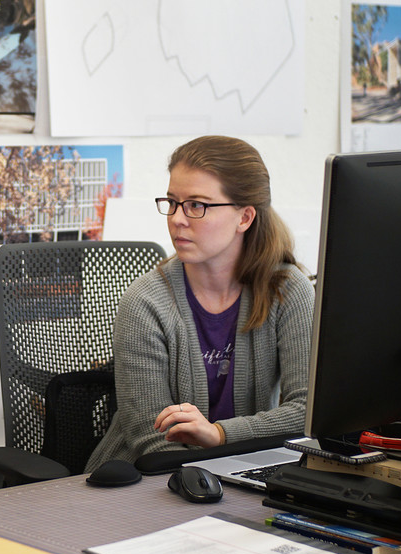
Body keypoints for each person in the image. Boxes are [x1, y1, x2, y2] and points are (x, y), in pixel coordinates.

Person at [86, 135, 314, 470]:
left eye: (197, 205)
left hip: (240, 472)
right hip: (140, 482)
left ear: (245, 218)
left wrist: (221, 435)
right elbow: (150, 440)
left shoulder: (288, 290)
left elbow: (307, 411)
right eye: (173, 202)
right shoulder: (145, 302)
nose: (177, 218)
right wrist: (225, 453)